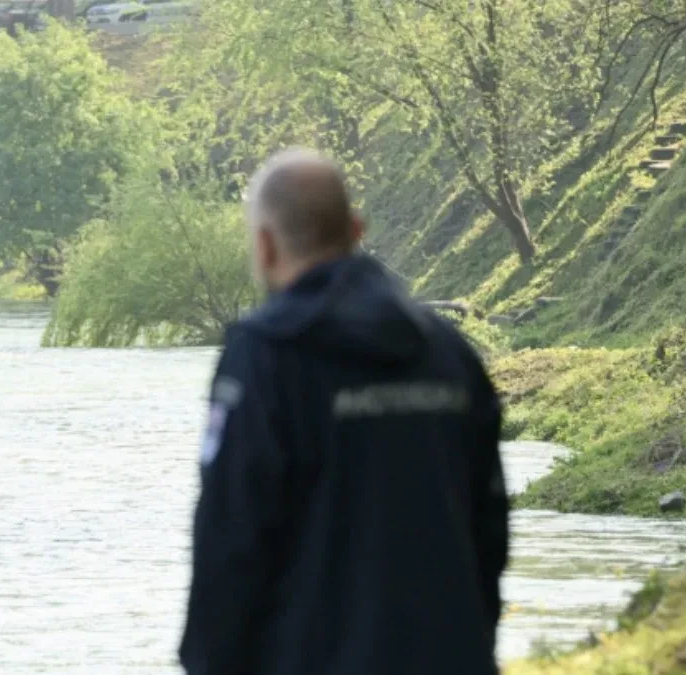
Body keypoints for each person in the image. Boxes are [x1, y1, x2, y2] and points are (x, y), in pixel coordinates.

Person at [179, 148, 509, 675]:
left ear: (265, 245)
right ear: (356, 230)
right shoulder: (449, 351)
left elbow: (231, 536)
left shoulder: (265, 357)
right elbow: (490, 525)